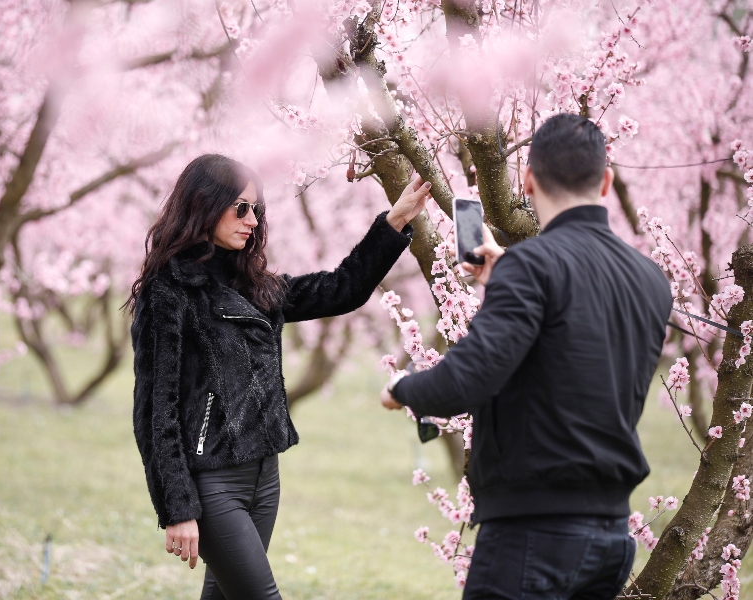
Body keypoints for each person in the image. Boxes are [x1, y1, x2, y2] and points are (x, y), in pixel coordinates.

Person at [381, 114, 672, 599]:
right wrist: (509, 278)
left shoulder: (532, 267)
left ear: (529, 180)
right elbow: (577, 352)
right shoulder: (649, 277)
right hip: (611, 537)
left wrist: (401, 387)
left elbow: (464, 383)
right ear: (605, 181)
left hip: (534, 531)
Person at [127, 153, 431, 600]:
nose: (252, 221)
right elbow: (156, 411)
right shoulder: (169, 292)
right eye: (241, 208)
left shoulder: (254, 284)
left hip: (264, 478)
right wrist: (177, 507)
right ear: (204, 204)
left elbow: (341, 288)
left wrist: (395, 220)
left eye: (256, 209)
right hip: (212, 483)